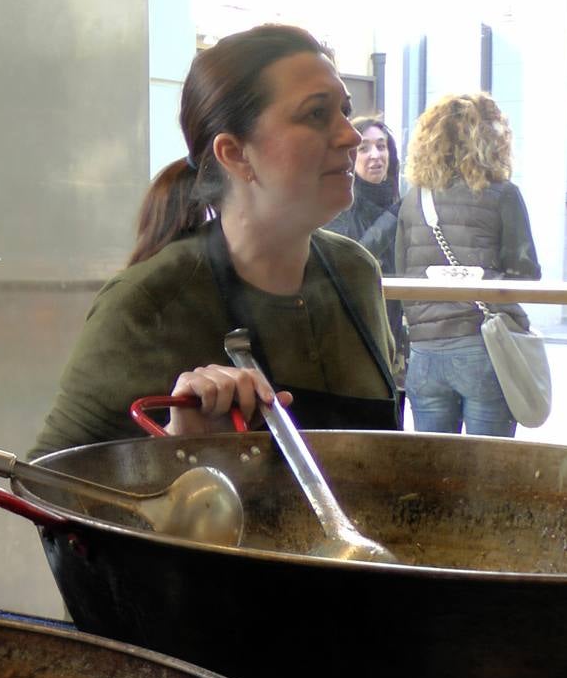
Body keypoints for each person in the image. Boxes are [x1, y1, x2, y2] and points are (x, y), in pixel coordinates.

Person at [30, 25, 398, 460]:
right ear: (235, 154)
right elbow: (50, 493)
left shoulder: (355, 271)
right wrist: (174, 450)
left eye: (344, 110)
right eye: (317, 114)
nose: (351, 136)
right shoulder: (150, 302)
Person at [394, 92, 540, 437]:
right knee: (488, 469)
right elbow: (525, 272)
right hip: (483, 348)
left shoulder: (413, 199)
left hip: (425, 353)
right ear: (491, 139)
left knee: (437, 468)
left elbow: (402, 275)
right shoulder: (502, 194)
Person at [326, 115, 407, 381]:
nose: (375, 155)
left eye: (382, 146)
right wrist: (394, 216)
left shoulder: (400, 202)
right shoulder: (338, 206)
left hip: (397, 338)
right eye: (364, 148)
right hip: (358, 336)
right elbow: (352, 259)